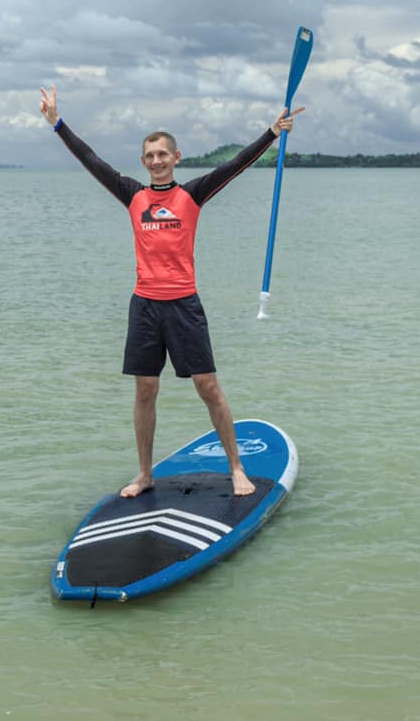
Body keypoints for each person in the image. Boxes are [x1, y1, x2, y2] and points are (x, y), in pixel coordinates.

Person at [40, 85, 303, 498]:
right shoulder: (132, 195)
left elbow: (235, 165)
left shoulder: (191, 194)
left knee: (208, 386)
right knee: (145, 390)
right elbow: (91, 160)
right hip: (145, 306)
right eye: (150, 156)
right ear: (143, 162)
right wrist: (58, 123)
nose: (157, 161)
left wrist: (271, 133)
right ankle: (145, 474)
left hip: (183, 305)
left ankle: (236, 467)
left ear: (175, 158)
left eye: (163, 154)